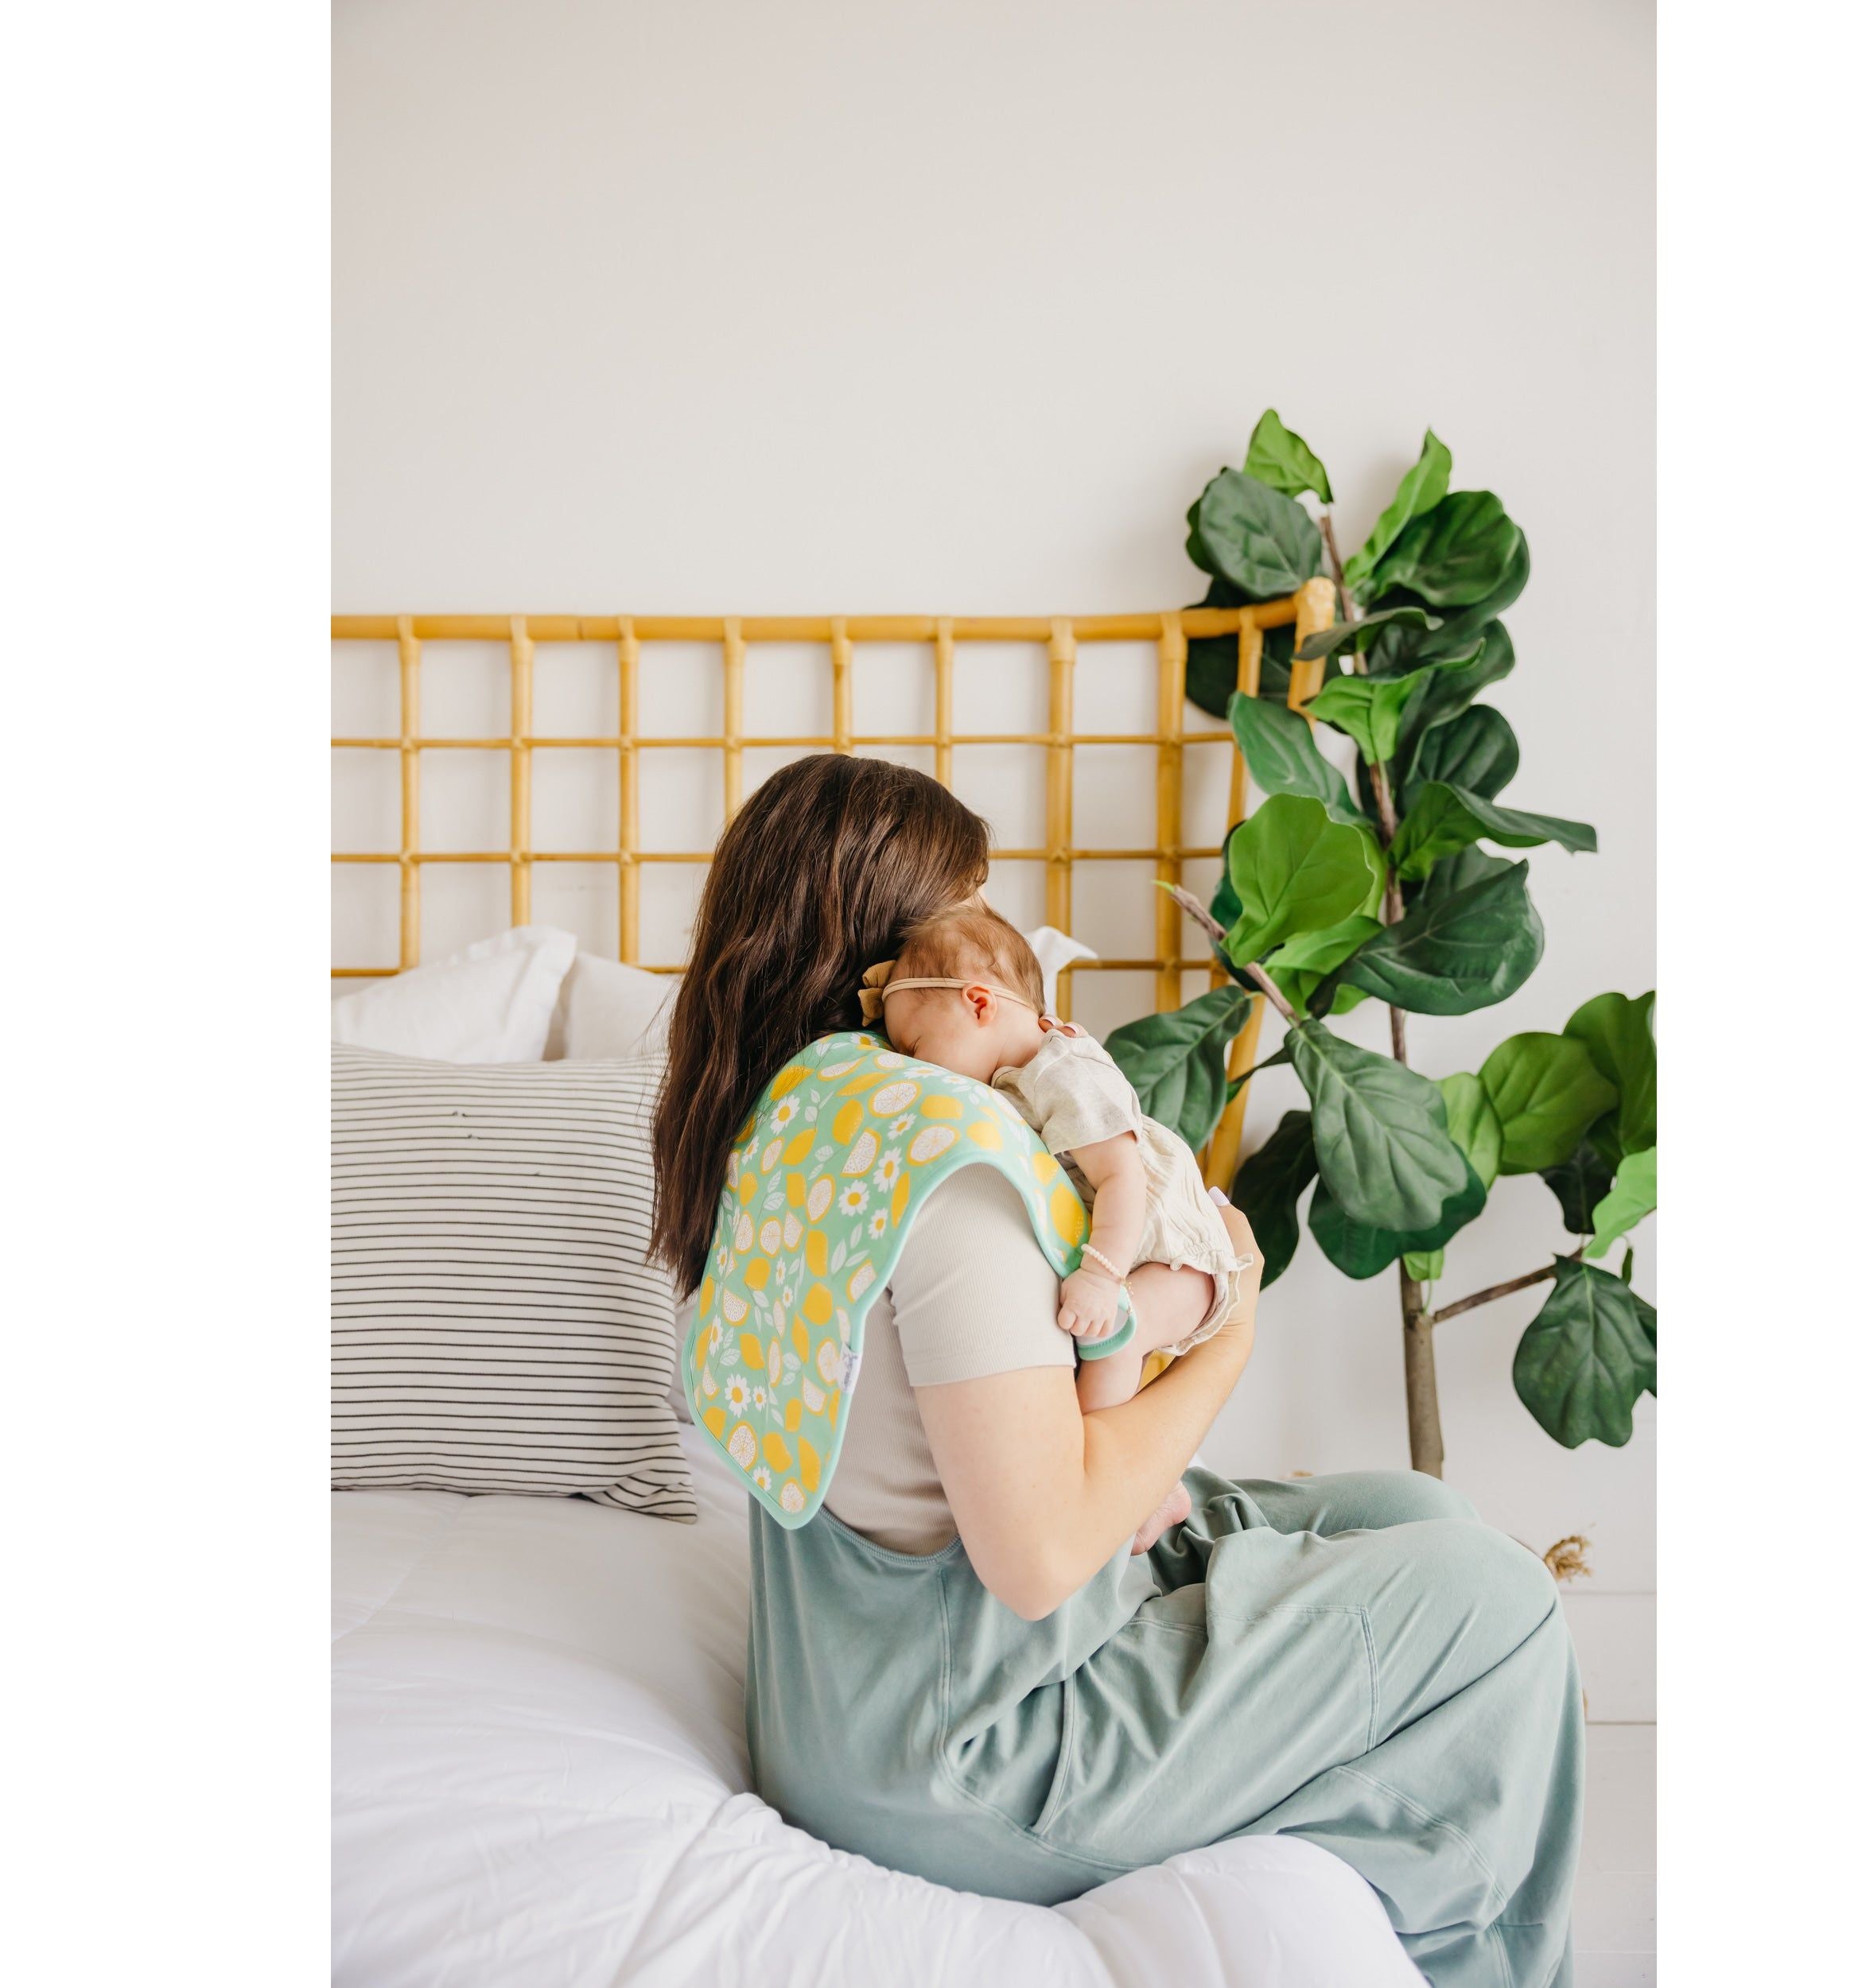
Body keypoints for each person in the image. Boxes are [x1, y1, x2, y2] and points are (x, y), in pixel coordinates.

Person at [649, 753, 1584, 1988]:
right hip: (966, 1748)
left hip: (844, 1698)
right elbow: (1039, 1557)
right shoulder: (949, 1174)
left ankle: (1366, 1842)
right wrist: (1231, 1328)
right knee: (1502, 1598)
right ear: (904, 955)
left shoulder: (801, 1119)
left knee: (1418, 1512)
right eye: (971, 911)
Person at [863, 901, 1252, 1551]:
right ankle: (1159, 1486)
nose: (916, 1068)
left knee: (1116, 1338)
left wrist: (1101, 1276)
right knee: (1098, 1355)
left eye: (916, 1047)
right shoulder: (1013, 1080)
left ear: (979, 1004)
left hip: (1180, 1255)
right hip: (1147, 1252)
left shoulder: (1063, 1069)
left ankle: (1107, 1491)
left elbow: (1122, 1179)